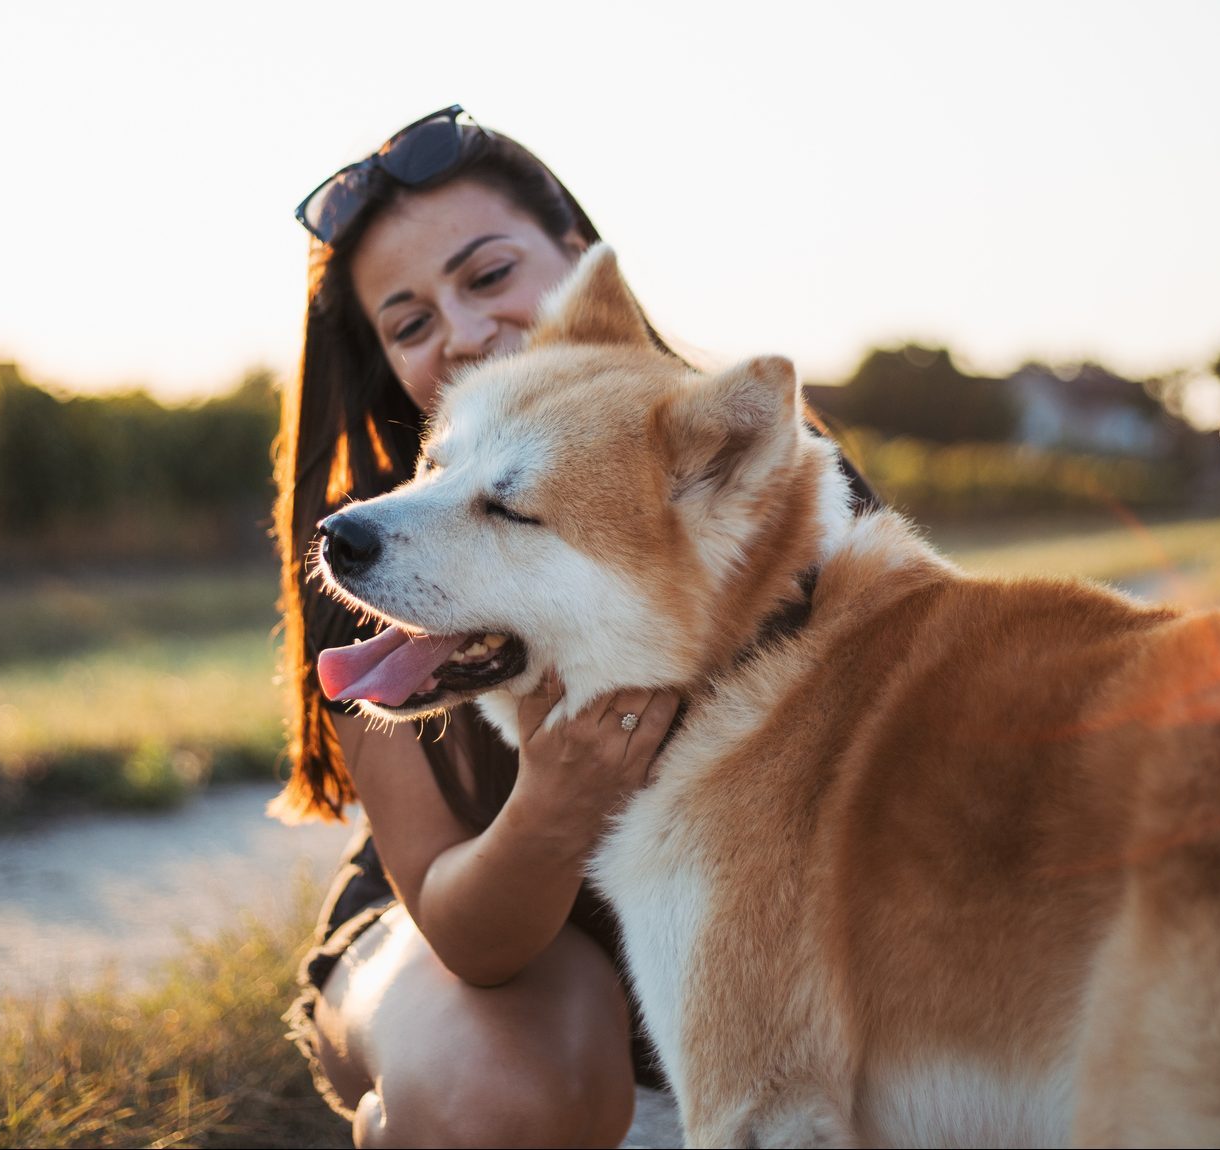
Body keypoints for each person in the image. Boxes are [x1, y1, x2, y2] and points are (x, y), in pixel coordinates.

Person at [274, 105, 877, 1148]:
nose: (461, 331)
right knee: (505, 1090)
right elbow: (470, 936)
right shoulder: (377, 548)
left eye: (487, 275)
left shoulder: (761, 480)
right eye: (410, 321)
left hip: (725, 943)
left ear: (578, 259)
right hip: (464, 939)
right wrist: (556, 800)